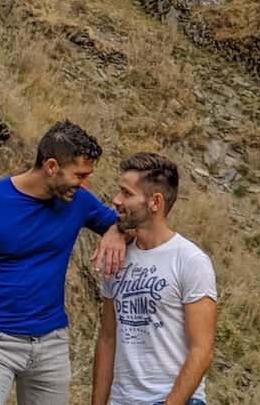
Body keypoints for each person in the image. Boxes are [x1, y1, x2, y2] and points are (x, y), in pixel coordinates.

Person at [0, 120, 128, 404]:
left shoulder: (78, 201)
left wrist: (116, 230)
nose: (85, 184)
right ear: (51, 166)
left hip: (51, 344)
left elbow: (136, 221)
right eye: (79, 175)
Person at [91, 153, 217, 405]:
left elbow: (202, 351)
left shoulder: (190, 260)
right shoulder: (117, 257)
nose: (116, 200)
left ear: (155, 202)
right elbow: (107, 338)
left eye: (126, 194)